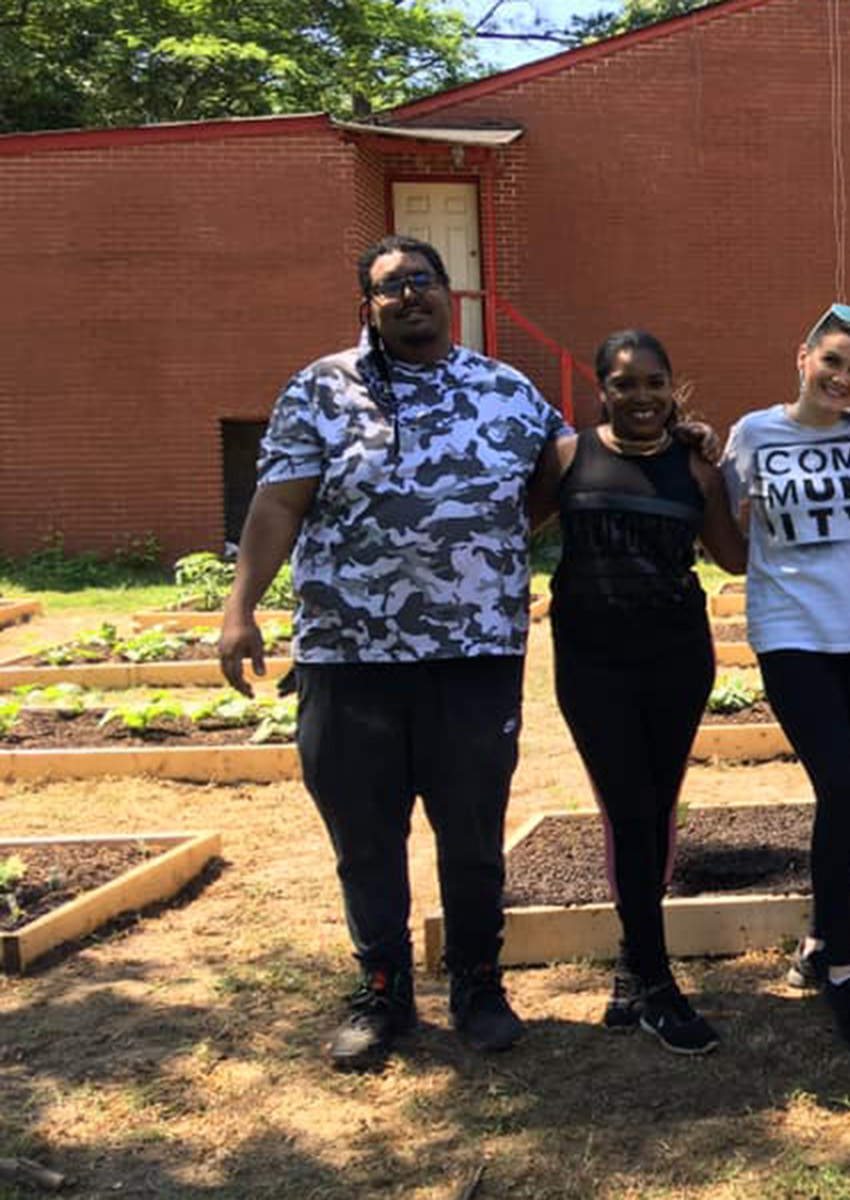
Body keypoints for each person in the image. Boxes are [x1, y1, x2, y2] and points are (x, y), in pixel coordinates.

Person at [219, 235, 567, 1071]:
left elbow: (564, 472)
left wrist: (496, 539)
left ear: (447, 292)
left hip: (473, 656)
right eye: (390, 287)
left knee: (472, 833)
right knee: (366, 836)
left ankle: (478, 985)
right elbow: (278, 505)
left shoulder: (505, 390)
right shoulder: (320, 388)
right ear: (367, 306)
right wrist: (239, 609)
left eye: (422, 279)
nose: (409, 294)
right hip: (348, 658)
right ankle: (382, 990)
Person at [537, 329, 747, 1055]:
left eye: (655, 382)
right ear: (602, 389)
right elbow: (505, 528)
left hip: (677, 659)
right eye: (625, 383)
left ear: (672, 388)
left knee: (655, 810)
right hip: (592, 664)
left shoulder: (694, 467)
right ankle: (657, 987)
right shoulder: (568, 457)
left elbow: (733, 557)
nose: (642, 396)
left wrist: (754, 489)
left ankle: (634, 960)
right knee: (627, 811)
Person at [719, 302, 850, 1054]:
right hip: (791, 634)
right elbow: (726, 528)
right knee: (843, 788)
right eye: (832, 361)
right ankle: (844, 970)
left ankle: (819, 940)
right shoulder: (752, 433)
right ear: (803, 358)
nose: (842, 377)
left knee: (849, 798)